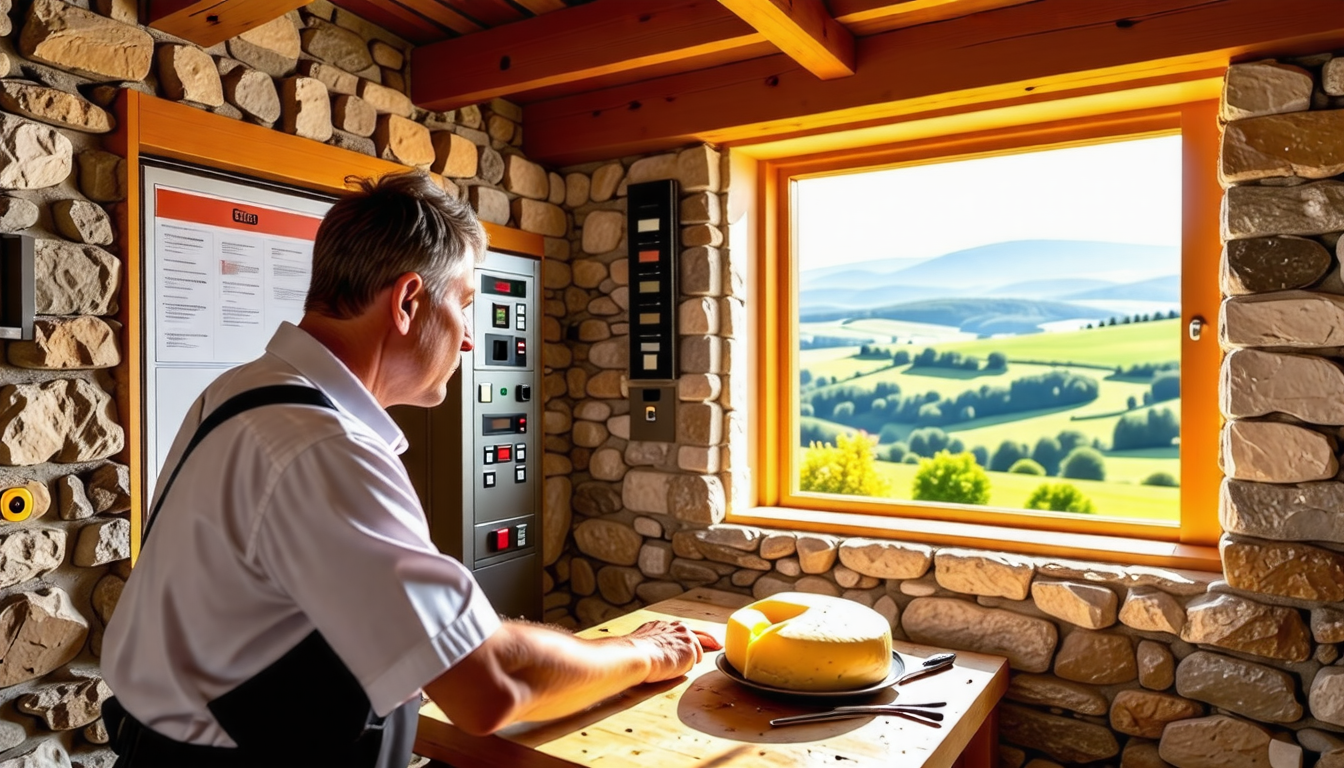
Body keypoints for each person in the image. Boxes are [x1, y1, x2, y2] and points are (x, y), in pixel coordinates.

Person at [103, 171, 717, 768]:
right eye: (466, 304)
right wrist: (644, 652)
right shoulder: (325, 446)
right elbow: (491, 684)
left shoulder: (240, 390)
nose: (471, 340)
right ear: (407, 301)